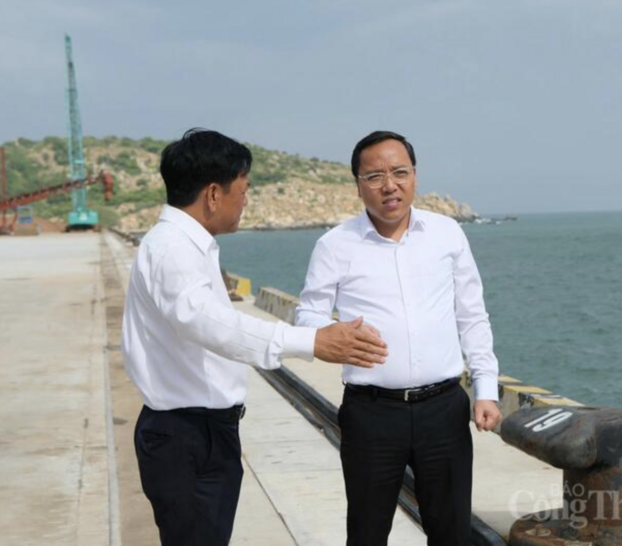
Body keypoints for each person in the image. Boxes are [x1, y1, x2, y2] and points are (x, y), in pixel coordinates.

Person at [121, 128, 388, 546]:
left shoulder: (188, 245)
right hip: (186, 436)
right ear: (213, 194)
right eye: (242, 190)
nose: (245, 201)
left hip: (200, 432)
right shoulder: (172, 249)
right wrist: (310, 341)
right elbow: (207, 323)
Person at [296, 130, 502, 546]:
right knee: (368, 533)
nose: (389, 185)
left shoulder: (447, 234)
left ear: (415, 176)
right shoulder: (334, 245)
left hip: (444, 410)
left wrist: (485, 388)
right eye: (375, 176)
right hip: (371, 415)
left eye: (399, 172)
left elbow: (472, 315)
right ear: (358, 184)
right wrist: (330, 336)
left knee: (452, 534)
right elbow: (308, 315)